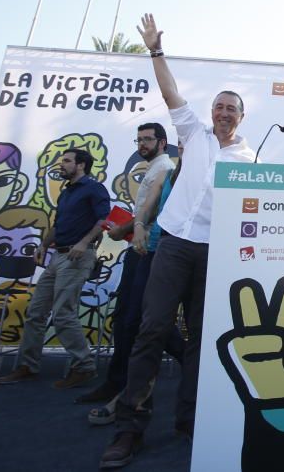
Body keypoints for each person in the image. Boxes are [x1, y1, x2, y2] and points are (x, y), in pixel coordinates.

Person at [101, 14, 255, 468]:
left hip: (216, 253)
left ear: (242, 117)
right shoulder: (193, 134)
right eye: (219, 106)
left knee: (203, 340)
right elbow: (170, 92)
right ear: (211, 113)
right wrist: (155, 50)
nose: (223, 112)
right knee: (151, 329)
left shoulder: (250, 158)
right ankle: (130, 426)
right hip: (175, 243)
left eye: (232, 108)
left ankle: (191, 421)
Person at [76, 123, 182, 406]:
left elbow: (155, 215)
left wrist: (125, 230)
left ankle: (123, 384)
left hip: (150, 249)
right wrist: (127, 228)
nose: (141, 145)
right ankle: (119, 382)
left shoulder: (164, 169)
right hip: (139, 247)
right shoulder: (157, 169)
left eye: (148, 139)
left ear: (163, 143)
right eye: (139, 140)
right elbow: (143, 214)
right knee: (132, 317)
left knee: (136, 319)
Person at [0, 148, 109, 387]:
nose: (61, 164)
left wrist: (84, 242)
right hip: (58, 256)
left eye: (67, 161)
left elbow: (104, 220)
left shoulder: (94, 188)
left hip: (78, 257)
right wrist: (43, 246)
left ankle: (84, 367)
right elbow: (58, 225)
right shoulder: (66, 193)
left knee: (63, 313)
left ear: (81, 165)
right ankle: (28, 366)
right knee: (36, 312)